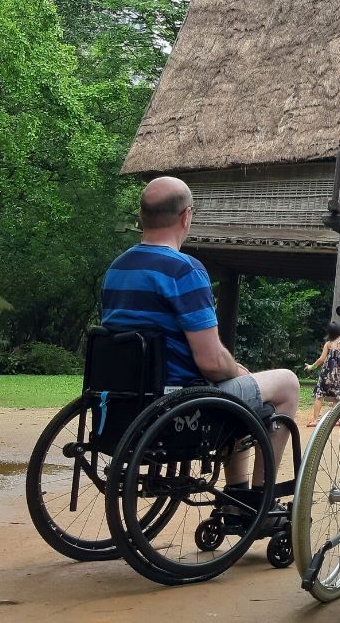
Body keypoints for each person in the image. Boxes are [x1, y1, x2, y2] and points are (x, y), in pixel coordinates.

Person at [101, 177, 301, 488]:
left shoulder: (118, 267)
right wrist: (236, 369)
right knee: (287, 383)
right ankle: (260, 496)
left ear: (142, 216)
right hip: (180, 403)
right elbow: (210, 363)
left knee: (237, 386)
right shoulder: (184, 270)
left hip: (125, 404)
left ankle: (239, 491)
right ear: (186, 216)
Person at [303, 321, 340, 427]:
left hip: (327, 374)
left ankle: (315, 420)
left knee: (319, 396)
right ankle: (335, 420)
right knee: (336, 397)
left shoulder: (328, 344)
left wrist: (312, 366)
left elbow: (321, 359)